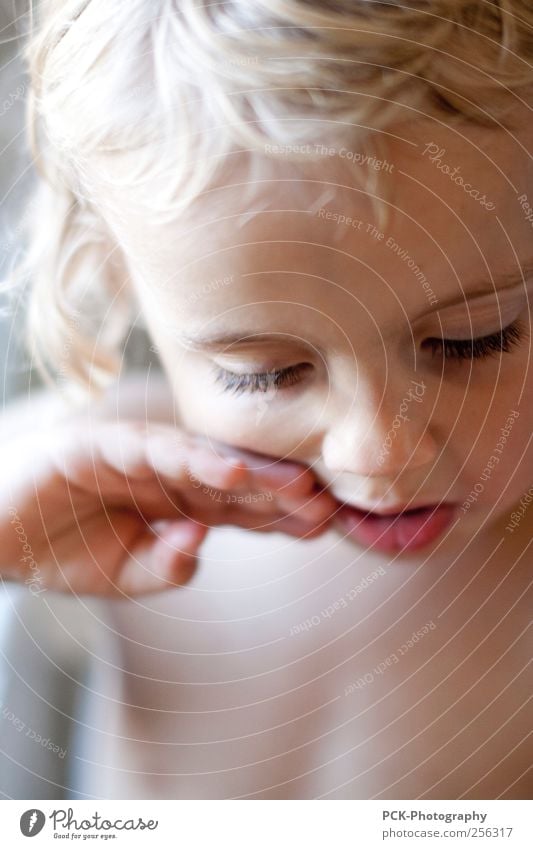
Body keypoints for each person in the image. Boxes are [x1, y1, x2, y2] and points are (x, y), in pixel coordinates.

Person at [1, 0, 531, 799]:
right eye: (267, 372)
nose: (375, 452)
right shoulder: (95, 466)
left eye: (472, 338)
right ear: (120, 279)